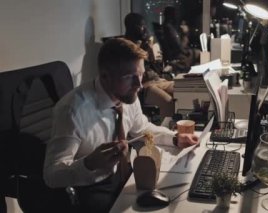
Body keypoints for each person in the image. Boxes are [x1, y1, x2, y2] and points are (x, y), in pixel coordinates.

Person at [43, 38, 199, 212]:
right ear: (104, 76)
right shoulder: (71, 111)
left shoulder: (127, 95)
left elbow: (142, 129)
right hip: (91, 187)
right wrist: (89, 164)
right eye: (129, 77)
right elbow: (51, 175)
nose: (139, 85)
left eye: (140, 75)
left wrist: (175, 138)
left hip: (125, 175)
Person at [124, 12, 175, 118]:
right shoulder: (126, 47)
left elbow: (157, 70)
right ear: (133, 27)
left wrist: (157, 60)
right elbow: (133, 73)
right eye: (142, 26)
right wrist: (145, 49)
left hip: (157, 80)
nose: (145, 29)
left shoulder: (144, 43)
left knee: (182, 90)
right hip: (145, 86)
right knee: (169, 103)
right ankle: (167, 130)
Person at [161, 6, 200, 73]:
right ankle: (176, 67)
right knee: (198, 53)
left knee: (197, 53)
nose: (176, 16)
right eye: (175, 14)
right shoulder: (168, 28)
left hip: (177, 52)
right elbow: (178, 46)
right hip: (176, 55)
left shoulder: (170, 27)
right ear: (171, 15)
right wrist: (185, 34)